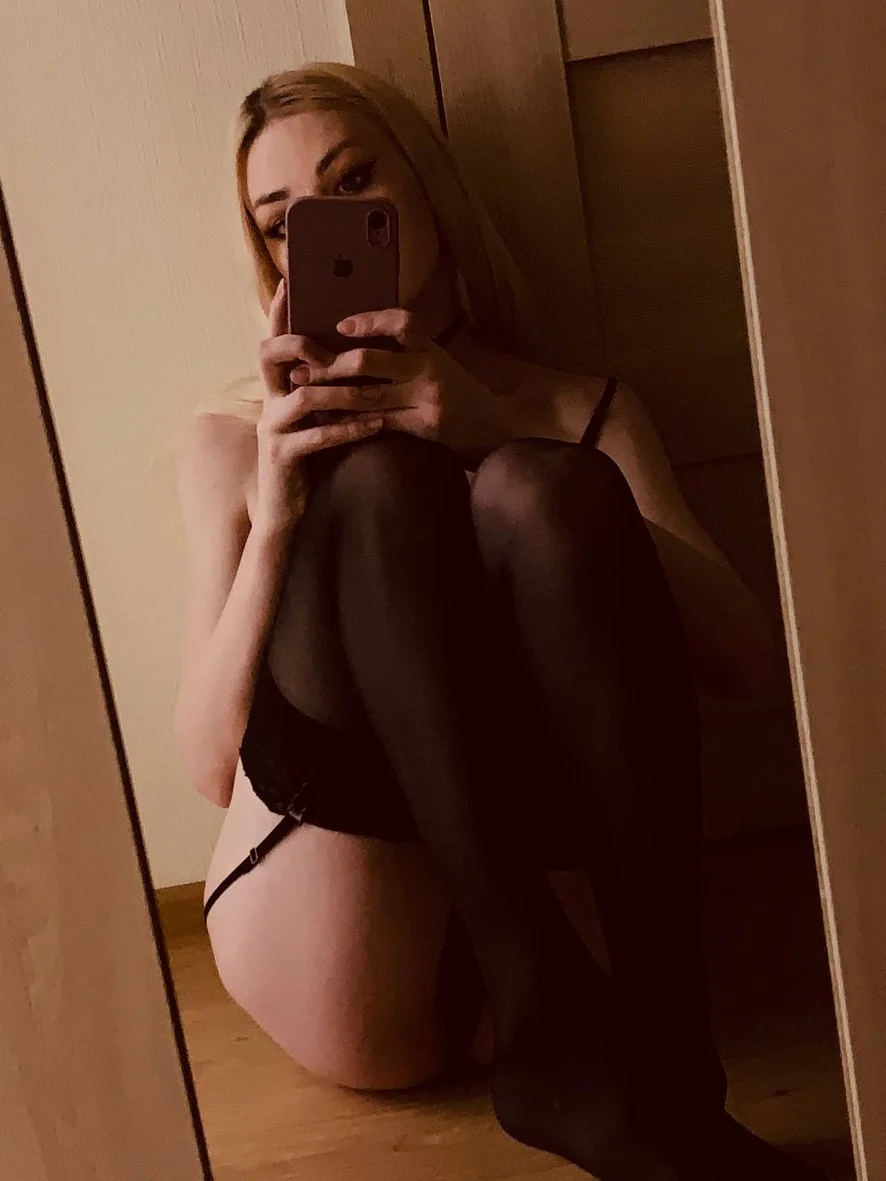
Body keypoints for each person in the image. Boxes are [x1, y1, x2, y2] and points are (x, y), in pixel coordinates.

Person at [174, 61, 828, 1181]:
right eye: (283, 224)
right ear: (271, 262)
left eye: (353, 183)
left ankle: (666, 1048)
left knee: (545, 487)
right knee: (381, 484)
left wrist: (492, 432)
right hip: (343, 935)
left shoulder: (579, 408)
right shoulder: (233, 443)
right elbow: (205, 766)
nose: (325, 232)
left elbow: (745, 663)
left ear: (427, 187)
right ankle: (554, 1033)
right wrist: (280, 513)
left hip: (576, 927)